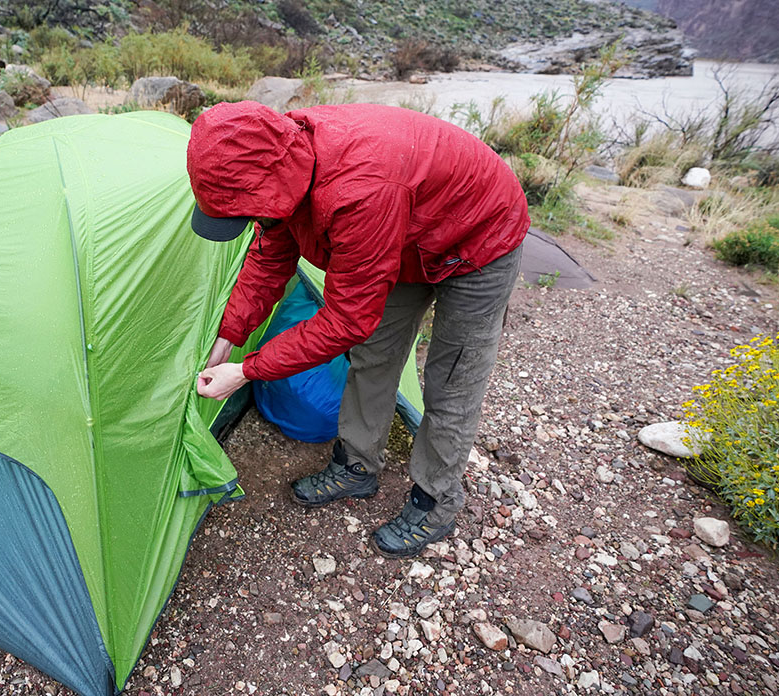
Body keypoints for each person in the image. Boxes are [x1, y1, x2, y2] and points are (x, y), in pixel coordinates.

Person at [188, 100, 529, 558]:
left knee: (450, 381)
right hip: (405, 233)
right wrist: (227, 339)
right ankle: (357, 466)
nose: (248, 220)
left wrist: (248, 372)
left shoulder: (358, 191)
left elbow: (346, 319)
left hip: (478, 238)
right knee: (374, 354)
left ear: (272, 185)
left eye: (246, 212)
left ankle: (436, 501)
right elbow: (270, 259)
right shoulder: (283, 159)